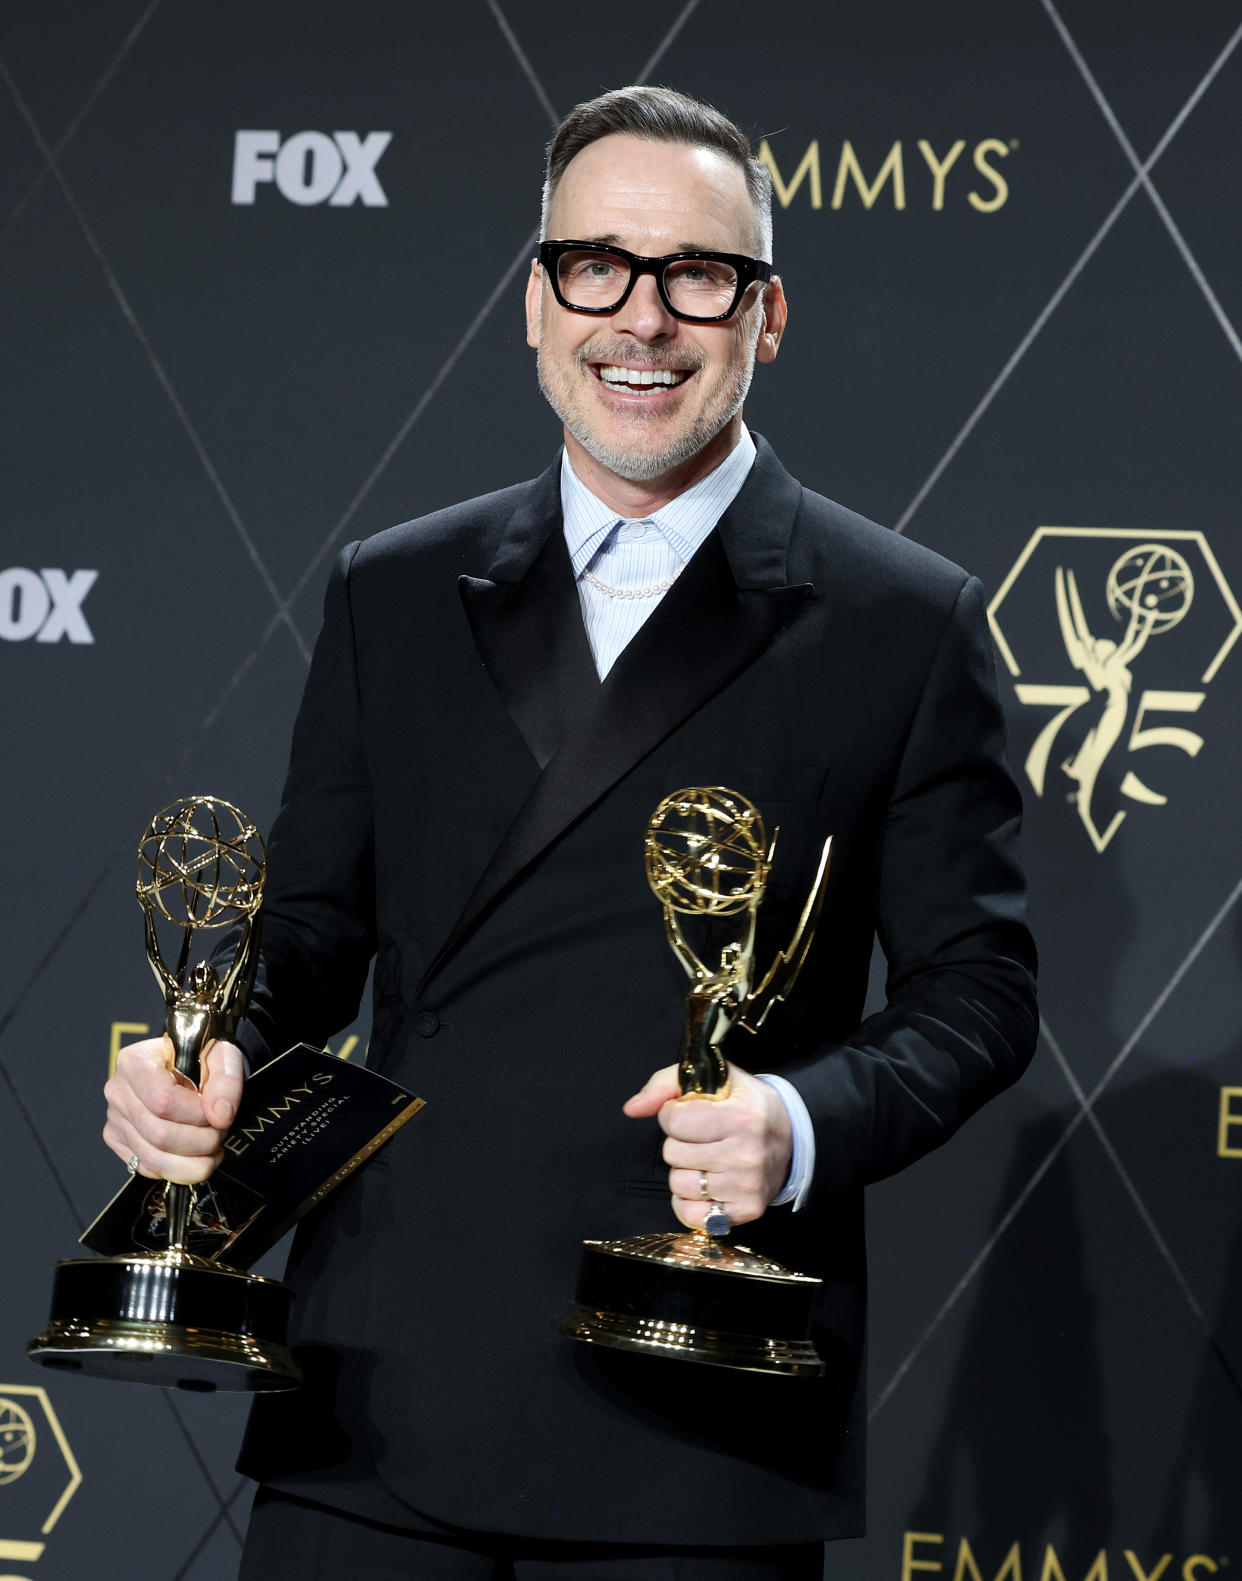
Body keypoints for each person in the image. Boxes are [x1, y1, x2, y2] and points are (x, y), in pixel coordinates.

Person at [103, 85, 1038, 1580]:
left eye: (696, 276)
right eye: (594, 266)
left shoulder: (900, 620)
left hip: (691, 1421)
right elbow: (310, 934)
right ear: (535, 306)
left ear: (766, 315)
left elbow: (977, 990)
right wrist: (202, 1056)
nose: (642, 321)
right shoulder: (391, 591)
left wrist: (793, 1126)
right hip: (374, 1406)